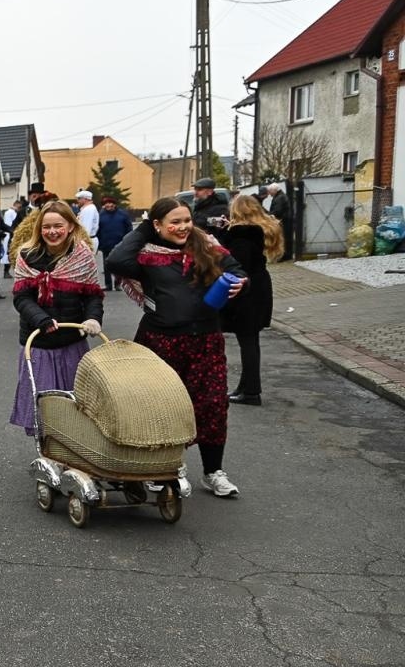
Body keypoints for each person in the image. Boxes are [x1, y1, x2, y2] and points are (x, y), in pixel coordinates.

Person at [106, 197, 247, 497]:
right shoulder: (145, 254)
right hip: (161, 341)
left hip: (206, 341)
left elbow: (237, 269)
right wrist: (145, 228)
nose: (183, 227)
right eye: (174, 221)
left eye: (186, 220)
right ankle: (167, 466)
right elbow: (116, 261)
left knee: (212, 405)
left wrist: (240, 282)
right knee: (163, 407)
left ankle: (213, 472)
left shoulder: (206, 247)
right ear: (157, 225)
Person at [8, 201, 105, 436]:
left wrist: (93, 318)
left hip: (72, 342)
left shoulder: (82, 256)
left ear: (71, 226)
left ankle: (76, 450)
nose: (52, 232)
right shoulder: (27, 255)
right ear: (39, 228)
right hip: (39, 343)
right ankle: (50, 452)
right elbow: (21, 298)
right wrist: (41, 319)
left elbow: (92, 295)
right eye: (46, 226)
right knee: (45, 402)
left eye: (58, 226)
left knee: (76, 401)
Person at [219, 194, 284, 405]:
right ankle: (246, 387)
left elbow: (237, 266)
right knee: (250, 341)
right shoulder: (256, 233)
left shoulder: (240, 235)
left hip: (246, 291)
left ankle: (251, 391)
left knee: (247, 341)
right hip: (259, 286)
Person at [95, 196, 134, 291]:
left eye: (109, 203)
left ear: (114, 204)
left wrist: (127, 241)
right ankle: (108, 284)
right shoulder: (101, 216)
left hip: (119, 244)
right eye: (105, 204)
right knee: (106, 265)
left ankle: (117, 284)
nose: (108, 205)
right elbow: (98, 231)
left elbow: (129, 229)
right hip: (106, 244)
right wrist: (99, 244)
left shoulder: (122, 215)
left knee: (118, 265)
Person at [265, 183, 292, 255]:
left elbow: (277, 211)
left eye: (270, 191)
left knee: (283, 239)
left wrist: (268, 216)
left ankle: (283, 255)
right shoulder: (280, 196)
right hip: (285, 221)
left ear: (274, 190)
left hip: (283, 221)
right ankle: (286, 255)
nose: (269, 193)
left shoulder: (279, 198)